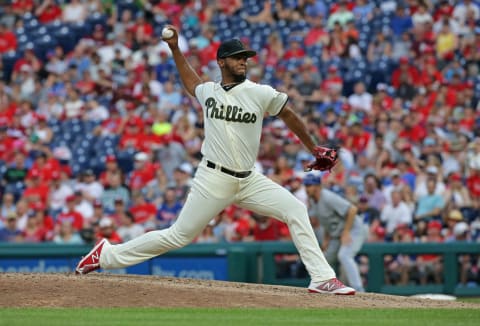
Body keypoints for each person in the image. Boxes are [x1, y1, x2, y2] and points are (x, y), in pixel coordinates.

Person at [75, 27, 355, 295]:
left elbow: (289, 114)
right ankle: (106, 255)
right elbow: (191, 82)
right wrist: (175, 49)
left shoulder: (260, 92)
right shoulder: (209, 91)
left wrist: (313, 147)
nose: (244, 61)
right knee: (177, 236)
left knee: (295, 209)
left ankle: (322, 278)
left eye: (246, 57)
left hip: (249, 179)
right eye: (238, 57)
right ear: (222, 62)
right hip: (213, 178)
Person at [303, 174, 367, 292]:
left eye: (309, 185)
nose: (307, 188)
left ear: (317, 186)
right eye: (306, 185)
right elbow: (327, 219)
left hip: (354, 228)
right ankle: (325, 286)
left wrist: (347, 232)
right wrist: (327, 238)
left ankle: (359, 289)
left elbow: (352, 210)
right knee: (326, 259)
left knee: (345, 255)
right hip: (337, 232)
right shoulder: (313, 200)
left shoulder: (328, 197)